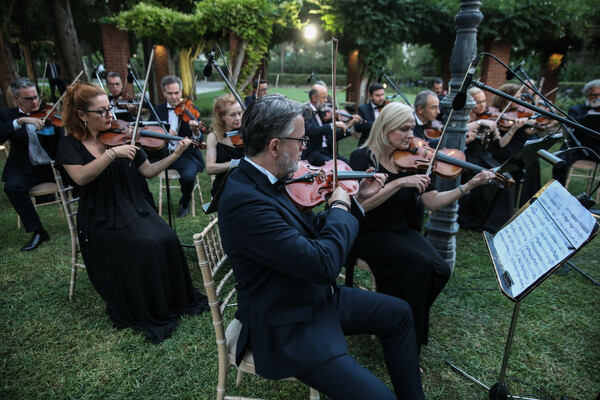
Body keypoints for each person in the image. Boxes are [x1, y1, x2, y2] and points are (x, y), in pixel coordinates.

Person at [218, 94, 424, 400]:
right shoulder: (245, 202)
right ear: (274, 146)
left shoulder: (270, 178)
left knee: (399, 313)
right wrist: (340, 208)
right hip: (287, 323)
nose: (304, 148)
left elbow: (312, 228)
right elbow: (323, 264)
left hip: (310, 296)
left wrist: (356, 200)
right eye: (300, 140)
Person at [55, 82, 208, 343]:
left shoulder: (123, 134)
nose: (110, 116)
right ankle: (148, 307)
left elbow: (147, 171)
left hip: (133, 206)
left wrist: (177, 153)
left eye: (110, 109)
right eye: (101, 112)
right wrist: (111, 154)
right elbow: (80, 178)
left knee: (168, 237)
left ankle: (174, 300)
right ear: (82, 115)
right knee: (145, 245)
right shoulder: (70, 144)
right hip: (100, 215)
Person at [349, 102, 496, 355]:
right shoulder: (362, 158)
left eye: (412, 128)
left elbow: (432, 202)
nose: (412, 136)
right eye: (404, 129)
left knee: (440, 269)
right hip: (369, 232)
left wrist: (468, 186)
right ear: (385, 129)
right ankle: (404, 342)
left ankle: (399, 318)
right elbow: (360, 207)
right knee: (418, 267)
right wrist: (398, 184)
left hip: (403, 229)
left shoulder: (415, 158)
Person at [0, 78, 62, 251]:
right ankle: (39, 231)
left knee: (83, 178)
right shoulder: (8, 116)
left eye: (36, 97)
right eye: (29, 99)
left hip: (51, 167)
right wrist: (19, 122)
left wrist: (58, 130)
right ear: (17, 99)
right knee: (12, 187)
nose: (35, 102)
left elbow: (61, 143)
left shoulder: (49, 113)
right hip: (25, 168)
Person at [458, 87, 515, 233]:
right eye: (478, 102)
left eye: (484, 101)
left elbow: (499, 144)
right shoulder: (463, 118)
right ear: (469, 103)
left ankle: (496, 224)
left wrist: (513, 129)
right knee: (489, 184)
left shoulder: (488, 118)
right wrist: (478, 126)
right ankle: (476, 221)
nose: (482, 105)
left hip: (485, 158)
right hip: (468, 159)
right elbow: (457, 138)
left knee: (507, 180)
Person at [149, 75, 205, 217]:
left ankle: (184, 202)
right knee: (138, 170)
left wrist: (196, 131)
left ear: (181, 91)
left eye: (177, 93)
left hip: (184, 155)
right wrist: (163, 132)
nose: (174, 97)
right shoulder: (157, 110)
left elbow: (199, 141)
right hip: (162, 154)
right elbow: (149, 133)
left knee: (188, 176)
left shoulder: (190, 110)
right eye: (170, 93)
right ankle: (148, 204)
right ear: (163, 93)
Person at [487, 83, 539, 206]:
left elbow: (529, 131)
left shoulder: (518, 113)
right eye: (517, 97)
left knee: (533, 159)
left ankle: (527, 200)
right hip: (500, 150)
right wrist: (514, 128)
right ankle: (513, 200)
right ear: (506, 98)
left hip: (515, 147)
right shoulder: (496, 114)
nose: (520, 101)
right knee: (521, 159)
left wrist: (532, 124)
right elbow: (500, 145)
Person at [553, 79, 600, 184]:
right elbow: (570, 122)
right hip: (577, 147)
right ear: (587, 95)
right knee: (560, 162)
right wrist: (587, 116)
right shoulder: (577, 109)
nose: (598, 98)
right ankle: (558, 191)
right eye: (594, 95)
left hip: (597, 148)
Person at [302, 84, 360, 166]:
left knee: (349, 164)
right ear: (314, 98)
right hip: (313, 153)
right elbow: (312, 131)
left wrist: (349, 125)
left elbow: (333, 137)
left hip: (328, 152)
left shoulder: (323, 112)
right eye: (324, 97)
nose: (326, 100)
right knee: (336, 166)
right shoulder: (305, 112)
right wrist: (333, 124)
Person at [205, 94, 244, 198]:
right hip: (224, 187)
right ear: (221, 116)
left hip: (247, 185)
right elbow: (210, 168)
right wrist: (236, 163)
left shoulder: (247, 132)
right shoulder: (214, 137)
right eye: (232, 115)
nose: (238, 118)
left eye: (240, 113)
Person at [354, 82, 386, 147]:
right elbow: (357, 127)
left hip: (385, 144)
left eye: (382, 95)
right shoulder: (363, 109)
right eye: (378, 95)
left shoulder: (387, 107)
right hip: (368, 144)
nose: (381, 98)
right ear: (370, 97)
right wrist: (377, 124)